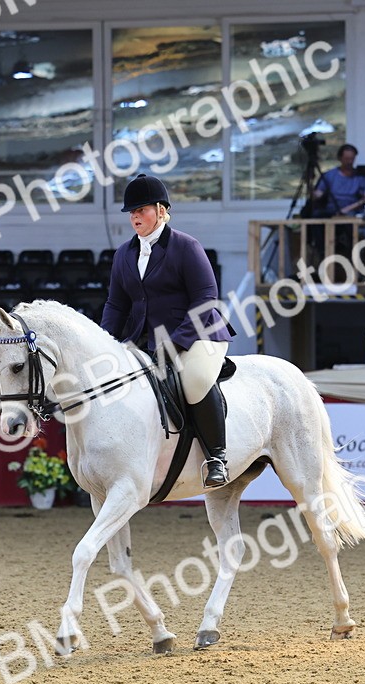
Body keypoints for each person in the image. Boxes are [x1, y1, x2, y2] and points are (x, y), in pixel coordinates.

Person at [101, 173, 233, 488]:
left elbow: (205, 297)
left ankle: (217, 457)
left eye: (142, 210)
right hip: (147, 340)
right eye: (132, 212)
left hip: (198, 334)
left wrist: (176, 342)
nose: (135, 216)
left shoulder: (186, 246)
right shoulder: (124, 254)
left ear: (161, 211)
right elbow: (116, 305)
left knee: (195, 380)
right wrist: (105, 342)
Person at [314, 144, 365, 217]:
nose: (350, 162)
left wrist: (348, 208)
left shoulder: (360, 176)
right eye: (347, 159)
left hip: (352, 211)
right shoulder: (330, 175)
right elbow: (319, 193)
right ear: (340, 158)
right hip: (331, 211)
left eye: (352, 159)